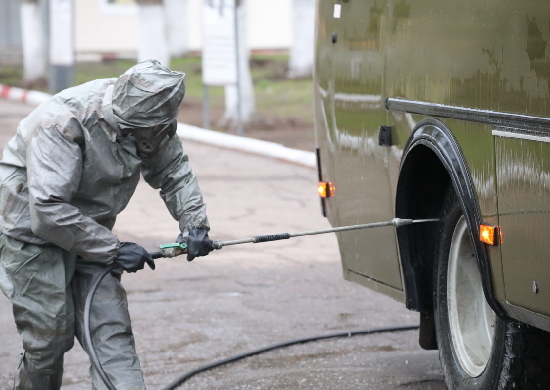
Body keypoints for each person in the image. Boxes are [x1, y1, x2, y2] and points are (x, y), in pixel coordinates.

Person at [0, 60, 214, 390]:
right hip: (31, 234)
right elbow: (47, 209)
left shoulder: (153, 118)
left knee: (111, 332)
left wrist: (195, 224)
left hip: (90, 231)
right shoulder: (62, 122)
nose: (150, 137)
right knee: (48, 342)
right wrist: (113, 250)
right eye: (137, 131)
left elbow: (173, 171)